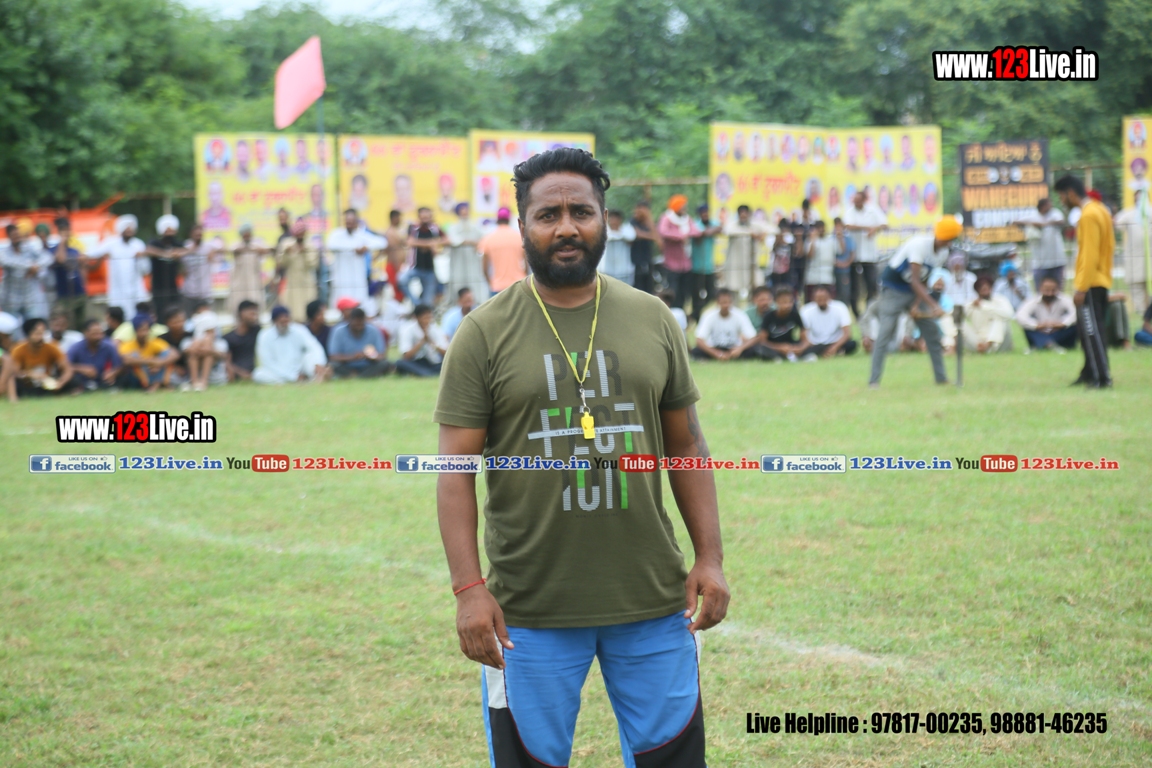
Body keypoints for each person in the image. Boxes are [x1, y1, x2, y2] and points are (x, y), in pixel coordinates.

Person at [433, 148, 727, 768]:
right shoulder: (483, 332)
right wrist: (468, 590)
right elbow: (454, 472)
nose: (566, 227)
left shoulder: (652, 318)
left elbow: (686, 446)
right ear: (522, 227)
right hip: (527, 610)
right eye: (548, 215)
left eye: (581, 212)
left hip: (652, 599)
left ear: (604, 220)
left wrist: (710, 558)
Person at [869, 218, 963, 387]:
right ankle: (873, 381)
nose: (949, 243)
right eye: (948, 239)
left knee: (932, 332)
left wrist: (916, 305)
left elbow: (924, 280)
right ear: (941, 237)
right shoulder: (919, 245)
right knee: (885, 332)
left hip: (915, 293)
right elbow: (914, 280)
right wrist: (934, 306)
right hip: (893, 290)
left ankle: (941, 378)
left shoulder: (942, 253)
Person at [1056, 175, 1114, 387]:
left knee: (1092, 331)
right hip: (1101, 279)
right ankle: (1089, 372)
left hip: (1090, 283)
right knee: (1088, 330)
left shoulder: (1088, 215)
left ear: (1071, 193)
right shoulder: (1100, 209)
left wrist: (1081, 287)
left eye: (1061, 196)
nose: (1062, 201)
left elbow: (1089, 254)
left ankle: (1102, 378)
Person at [2, 318, 73, 401]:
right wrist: (29, 375)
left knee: (73, 381)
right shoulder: (18, 350)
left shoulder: (52, 346)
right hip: (27, 385)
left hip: (47, 383)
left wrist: (60, 383)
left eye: (43, 333)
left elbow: (67, 369)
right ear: (28, 335)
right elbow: (14, 373)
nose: (41, 337)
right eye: (37, 334)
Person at [253, 306, 328, 384]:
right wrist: (293, 377)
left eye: (286, 319)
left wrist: (319, 364)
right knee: (258, 374)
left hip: (299, 369)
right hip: (277, 372)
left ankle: (316, 376)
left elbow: (315, 347)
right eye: (281, 320)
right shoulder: (264, 336)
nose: (285, 322)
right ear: (275, 321)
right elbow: (268, 363)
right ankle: (293, 381)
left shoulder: (299, 330)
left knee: (309, 356)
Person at [842, 191, 887, 315]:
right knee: (854, 286)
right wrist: (867, 228)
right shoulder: (850, 212)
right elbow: (848, 226)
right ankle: (856, 313)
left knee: (871, 284)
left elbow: (884, 224)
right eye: (855, 201)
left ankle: (869, 310)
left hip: (869, 255)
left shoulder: (872, 210)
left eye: (858, 200)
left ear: (863, 200)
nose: (856, 203)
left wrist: (875, 228)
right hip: (854, 256)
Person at [327, 209, 382, 309]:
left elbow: (382, 242)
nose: (349, 225)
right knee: (342, 303)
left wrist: (366, 247)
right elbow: (331, 245)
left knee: (359, 304)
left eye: (352, 222)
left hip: (358, 279)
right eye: (347, 222)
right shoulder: (337, 234)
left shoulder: (361, 235)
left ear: (356, 222)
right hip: (341, 279)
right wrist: (354, 249)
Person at [1012, 198, 1067, 290]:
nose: (1051, 206)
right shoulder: (1033, 216)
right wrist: (1032, 224)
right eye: (1048, 204)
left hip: (1057, 261)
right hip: (1040, 264)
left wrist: (1045, 224)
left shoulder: (1055, 213)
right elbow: (1015, 222)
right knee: (1041, 291)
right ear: (1043, 206)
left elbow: (1062, 221)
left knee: (1058, 291)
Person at [1, 223, 52, 321]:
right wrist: (29, 267)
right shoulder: (4, 253)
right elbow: (9, 262)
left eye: (17, 235)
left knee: (33, 324)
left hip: (29, 299)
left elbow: (48, 257)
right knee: (13, 327)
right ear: (9, 237)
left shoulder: (29, 249)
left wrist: (36, 267)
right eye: (14, 236)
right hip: (11, 300)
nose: (16, 237)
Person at [49, 217, 93, 330]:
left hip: (79, 292)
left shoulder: (75, 250)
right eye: (63, 230)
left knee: (81, 324)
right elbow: (61, 259)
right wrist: (62, 241)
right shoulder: (53, 250)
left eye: (67, 230)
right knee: (65, 324)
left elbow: (82, 269)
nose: (66, 233)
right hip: (64, 295)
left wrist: (84, 286)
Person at [658, 194, 700, 309]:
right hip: (672, 264)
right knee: (673, 292)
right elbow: (663, 231)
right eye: (683, 206)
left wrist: (686, 235)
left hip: (686, 265)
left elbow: (696, 231)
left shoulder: (687, 219)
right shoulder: (667, 218)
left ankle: (681, 313)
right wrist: (680, 237)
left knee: (684, 292)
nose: (685, 208)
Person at [692, 288, 759, 360]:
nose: (726, 305)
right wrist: (716, 354)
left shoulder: (740, 315)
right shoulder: (708, 316)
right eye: (723, 303)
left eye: (728, 302)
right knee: (696, 351)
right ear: (717, 302)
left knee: (753, 349)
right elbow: (699, 340)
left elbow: (753, 337)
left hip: (734, 348)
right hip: (715, 347)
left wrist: (740, 349)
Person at [327, 307, 392, 378]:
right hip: (347, 366)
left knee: (385, 364)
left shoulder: (373, 331)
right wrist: (353, 357)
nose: (359, 327)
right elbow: (333, 357)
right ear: (349, 321)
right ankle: (356, 375)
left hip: (368, 366)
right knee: (333, 365)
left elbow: (382, 355)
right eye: (356, 324)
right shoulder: (338, 331)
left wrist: (370, 356)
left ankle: (359, 376)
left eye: (361, 324)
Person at [1016, 277, 1077, 351]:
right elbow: (1021, 316)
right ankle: (1049, 344)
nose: (1049, 293)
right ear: (1040, 289)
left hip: (1059, 332)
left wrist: (1062, 323)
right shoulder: (1033, 301)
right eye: (1047, 290)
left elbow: (1075, 312)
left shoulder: (1065, 299)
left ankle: (1043, 344)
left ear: (1058, 289)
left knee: (1074, 326)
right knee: (1028, 328)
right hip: (1040, 332)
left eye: (1053, 290)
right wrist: (1036, 325)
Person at [1113, 189, 1150, 313]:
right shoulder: (1128, 214)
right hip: (1134, 264)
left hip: (1150, 264)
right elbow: (1116, 224)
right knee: (1138, 299)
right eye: (1137, 199)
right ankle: (1143, 319)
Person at [401, 207, 447, 306]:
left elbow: (447, 240)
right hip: (415, 267)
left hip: (430, 269)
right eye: (423, 215)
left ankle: (422, 308)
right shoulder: (413, 228)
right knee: (402, 280)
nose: (425, 217)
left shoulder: (434, 228)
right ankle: (417, 303)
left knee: (428, 301)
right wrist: (429, 244)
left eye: (427, 215)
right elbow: (409, 242)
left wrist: (434, 243)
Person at [144, 215, 187, 322]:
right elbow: (148, 250)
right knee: (159, 313)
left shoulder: (177, 244)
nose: (169, 234)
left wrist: (177, 253)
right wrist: (165, 254)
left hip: (173, 286)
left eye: (171, 231)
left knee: (174, 311)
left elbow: (187, 250)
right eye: (167, 231)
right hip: (158, 286)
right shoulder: (155, 243)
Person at [275, 219, 320, 320]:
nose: (300, 236)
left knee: (307, 307)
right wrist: (287, 253)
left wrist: (304, 252)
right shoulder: (286, 244)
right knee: (292, 307)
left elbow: (313, 264)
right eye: (298, 233)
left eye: (302, 233)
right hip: (291, 282)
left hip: (307, 282)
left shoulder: (311, 245)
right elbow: (281, 263)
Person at [478, 208, 527, 296]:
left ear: (497, 219)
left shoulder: (488, 239)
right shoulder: (519, 237)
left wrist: (491, 283)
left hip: (497, 286)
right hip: (518, 284)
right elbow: (527, 263)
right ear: (509, 219)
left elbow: (484, 268)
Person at [118, 316, 175, 392]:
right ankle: (151, 384)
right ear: (135, 331)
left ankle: (159, 384)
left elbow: (174, 354)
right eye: (141, 330)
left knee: (166, 354)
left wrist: (159, 363)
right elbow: (126, 360)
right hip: (137, 378)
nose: (144, 333)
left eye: (146, 330)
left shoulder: (154, 342)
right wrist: (151, 361)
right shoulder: (128, 345)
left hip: (154, 371)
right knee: (134, 356)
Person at [446, 202, 488, 303]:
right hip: (458, 264)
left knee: (475, 284)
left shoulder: (475, 227)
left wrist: (478, 245)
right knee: (458, 283)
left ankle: (476, 302)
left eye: (466, 210)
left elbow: (484, 240)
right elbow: (453, 241)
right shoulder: (453, 228)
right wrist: (470, 242)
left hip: (473, 263)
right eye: (462, 211)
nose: (465, 213)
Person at [799, 286, 856, 359]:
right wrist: (810, 344)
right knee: (802, 347)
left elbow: (847, 333)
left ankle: (834, 351)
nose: (821, 300)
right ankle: (836, 352)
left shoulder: (840, 307)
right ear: (813, 298)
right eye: (818, 298)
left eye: (823, 298)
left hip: (835, 341)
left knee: (852, 344)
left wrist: (834, 347)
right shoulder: (806, 310)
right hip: (815, 343)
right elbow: (803, 334)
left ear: (829, 297)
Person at [67, 319, 123, 392]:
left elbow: (119, 365)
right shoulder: (76, 348)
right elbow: (65, 366)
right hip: (82, 381)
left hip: (103, 380)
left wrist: (113, 373)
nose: (98, 336)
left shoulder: (109, 346)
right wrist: (81, 369)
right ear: (85, 333)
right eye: (95, 333)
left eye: (100, 333)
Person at [963, 276, 1015, 353]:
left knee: (1000, 319)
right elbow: (960, 316)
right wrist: (971, 306)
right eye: (982, 288)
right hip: (979, 342)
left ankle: (989, 345)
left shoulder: (1000, 300)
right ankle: (951, 348)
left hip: (998, 343)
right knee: (959, 324)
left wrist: (984, 306)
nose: (985, 290)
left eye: (987, 288)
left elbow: (1009, 314)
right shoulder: (973, 303)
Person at [183, 302, 229, 390]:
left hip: (217, 379)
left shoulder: (220, 343)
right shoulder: (189, 341)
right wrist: (199, 343)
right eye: (207, 331)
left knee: (209, 354)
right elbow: (188, 351)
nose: (211, 334)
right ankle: (195, 381)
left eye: (212, 331)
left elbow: (223, 355)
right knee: (194, 354)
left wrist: (209, 348)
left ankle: (203, 381)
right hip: (196, 348)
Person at [756, 286, 808, 361]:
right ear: (776, 302)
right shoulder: (768, 317)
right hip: (773, 346)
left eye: (790, 302)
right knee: (761, 349)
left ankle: (797, 356)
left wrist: (800, 348)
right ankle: (778, 358)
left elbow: (806, 339)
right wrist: (779, 347)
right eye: (784, 302)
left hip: (790, 346)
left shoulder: (795, 315)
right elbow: (763, 341)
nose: (787, 305)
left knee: (814, 346)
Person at [722, 205, 764, 299]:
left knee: (754, 287)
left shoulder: (754, 226)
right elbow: (726, 231)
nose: (743, 215)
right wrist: (749, 233)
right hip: (735, 264)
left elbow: (770, 229)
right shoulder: (732, 225)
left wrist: (759, 235)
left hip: (750, 263)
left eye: (745, 213)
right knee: (733, 288)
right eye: (741, 213)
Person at [395, 303, 447, 376]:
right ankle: (425, 373)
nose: (427, 321)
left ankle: (425, 373)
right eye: (425, 318)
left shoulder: (434, 329)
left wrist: (432, 343)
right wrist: (422, 341)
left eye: (429, 317)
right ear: (416, 318)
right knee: (399, 363)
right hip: (416, 362)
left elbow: (446, 353)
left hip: (433, 362)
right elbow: (406, 356)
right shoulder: (407, 329)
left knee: (448, 364)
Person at [228, 224, 269, 316]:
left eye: (248, 233)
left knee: (255, 304)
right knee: (238, 305)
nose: (247, 235)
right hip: (239, 283)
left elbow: (266, 251)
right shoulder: (236, 245)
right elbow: (233, 250)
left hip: (253, 282)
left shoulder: (257, 246)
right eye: (245, 233)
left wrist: (258, 250)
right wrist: (244, 249)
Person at [690, 204, 722, 324]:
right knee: (696, 294)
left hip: (709, 267)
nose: (705, 214)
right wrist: (706, 232)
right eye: (702, 212)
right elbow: (698, 234)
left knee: (712, 293)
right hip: (696, 267)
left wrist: (709, 231)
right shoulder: (695, 224)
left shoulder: (712, 223)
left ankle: (695, 313)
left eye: (706, 212)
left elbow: (720, 227)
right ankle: (696, 317)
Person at [182, 224, 220, 315]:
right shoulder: (186, 247)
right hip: (189, 291)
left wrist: (213, 253)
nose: (198, 235)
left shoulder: (209, 246)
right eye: (196, 233)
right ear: (191, 234)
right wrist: (190, 251)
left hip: (205, 292)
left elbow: (222, 248)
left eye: (200, 233)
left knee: (206, 317)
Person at [224, 300, 260, 382]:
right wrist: (241, 373)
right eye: (252, 314)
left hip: (254, 374)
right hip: (234, 375)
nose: (255, 317)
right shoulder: (228, 338)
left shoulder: (257, 332)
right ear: (242, 313)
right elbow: (226, 361)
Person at [629, 200, 660, 294]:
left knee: (649, 289)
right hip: (635, 262)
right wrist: (651, 236)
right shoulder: (632, 222)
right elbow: (637, 234)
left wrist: (649, 220)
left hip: (648, 260)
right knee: (637, 289)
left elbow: (658, 241)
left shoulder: (649, 223)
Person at [599, 209, 635, 285]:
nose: (613, 221)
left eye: (616, 218)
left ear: (620, 220)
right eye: (611, 218)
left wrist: (618, 233)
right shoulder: (603, 230)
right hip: (607, 271)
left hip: (623, 271)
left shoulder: (627, 229)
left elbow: (631, 237)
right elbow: (606, 237)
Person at [803, 220, 836, 302]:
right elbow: (809, 255)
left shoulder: (831, 240)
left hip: (827, 277)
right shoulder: (809, 241)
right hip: (813, 277)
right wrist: (813, 240)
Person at [382, 210, 407, 300]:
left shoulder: (398, 231)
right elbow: (392, 251)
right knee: (397, 290)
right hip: (394, 266)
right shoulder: (390, 233)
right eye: (399, 218)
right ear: (394, 218)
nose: (400, 220)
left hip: (399, 265)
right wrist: (397, 267)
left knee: (401, 290)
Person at [832, 217, 856, 313]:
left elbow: (852, 254)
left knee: (845, 294)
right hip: (832, 272)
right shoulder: (831, 239)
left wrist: (845, 264)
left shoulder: (849, 239)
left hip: (845, 272)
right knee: (835, 294)